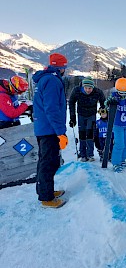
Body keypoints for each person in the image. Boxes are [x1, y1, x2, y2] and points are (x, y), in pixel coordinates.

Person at [32, 53, 69, 208]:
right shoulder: (52, 81)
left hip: (45, 128)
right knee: (48, 163)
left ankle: (47, 190)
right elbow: (52, 109)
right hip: (49, 130)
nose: (65, 70)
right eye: (64, 67)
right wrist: (60, 132)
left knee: (48, 161)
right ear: (60, 67)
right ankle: (46, 198)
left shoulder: (45, 79)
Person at [69, 76, 105, 162]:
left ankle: (90, 154)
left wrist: (103, 110)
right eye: (86, 88)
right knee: (82, 133)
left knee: (90, 134)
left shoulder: (97, 92)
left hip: (91, 114)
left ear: (93, 87)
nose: (88, 90)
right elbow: (71, 102)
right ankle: (82, 154)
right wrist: (72, 116)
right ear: (83, 87)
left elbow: (103, 101)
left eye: (90, 88)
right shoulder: (77, 91)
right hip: (81, 114)